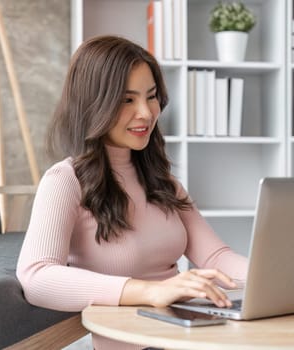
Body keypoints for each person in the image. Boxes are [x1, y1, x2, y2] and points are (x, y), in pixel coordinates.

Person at [16, 35, 248, 350]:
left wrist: (275, 278)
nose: (146, 113)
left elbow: (215, 256)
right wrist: (150, 291)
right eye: (127, 100)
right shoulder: (64, 180)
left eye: (151, 97)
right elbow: (37, 278)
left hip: (185, 336)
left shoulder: (162, 181)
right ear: (94, 103)